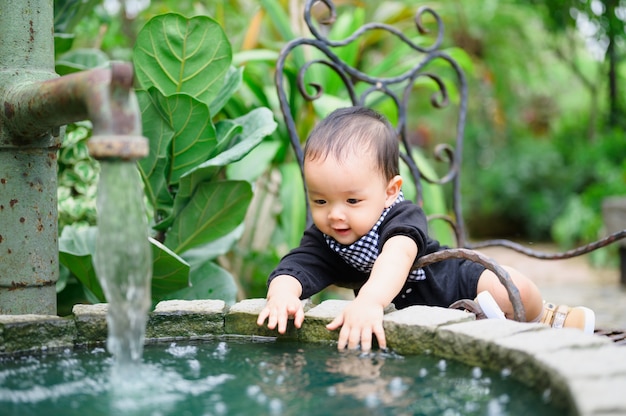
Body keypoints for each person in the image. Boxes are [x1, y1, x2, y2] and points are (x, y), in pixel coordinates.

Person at [256, 106, 595, 352]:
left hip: (451, 281)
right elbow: (296, 264)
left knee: (511, 287)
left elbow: (397, 255)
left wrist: (370, 301)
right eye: (320, 202)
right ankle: (493, 326)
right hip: (414, 315)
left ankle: (541, 317)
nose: (335, 215)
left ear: (390, 191)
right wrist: (283, 294)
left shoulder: (402, 216)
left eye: (352, 201)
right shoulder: (329, 237)